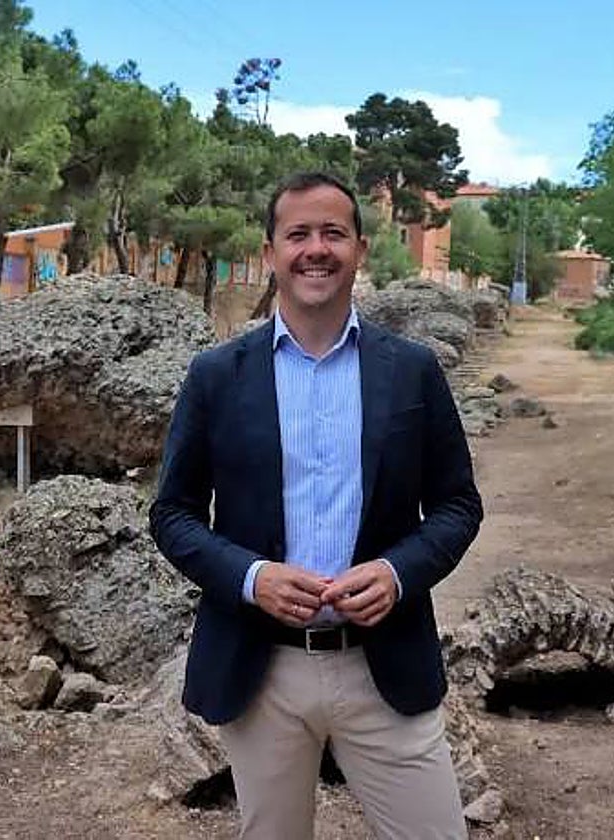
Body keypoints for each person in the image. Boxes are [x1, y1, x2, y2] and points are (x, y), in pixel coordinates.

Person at [150, 171, 482, 839]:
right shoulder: (216, 376)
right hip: (260, 670)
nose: (316, 248)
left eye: (333, 233)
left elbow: (456, 505)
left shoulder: (412, 369)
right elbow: (174, 515)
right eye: (298, 233)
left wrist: (395, 573)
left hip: (385, 666)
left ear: (360, 248)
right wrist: (252, 577)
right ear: (270, 251)